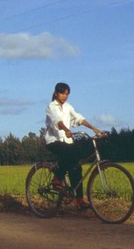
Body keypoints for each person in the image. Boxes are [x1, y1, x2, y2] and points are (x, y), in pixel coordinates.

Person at [44, 82, 104, 210]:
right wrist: (66, 129)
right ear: (56, 93)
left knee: (76, 167)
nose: (65, 96)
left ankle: (80, 199)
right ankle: (56, 179)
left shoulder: (68, 107)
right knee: (71, 153)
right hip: (54, 141)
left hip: (67, 141)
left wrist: (94, 128)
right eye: (62, 93)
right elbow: (57, 121)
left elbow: (78, 118)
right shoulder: (51, 107)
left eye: (67, 94)